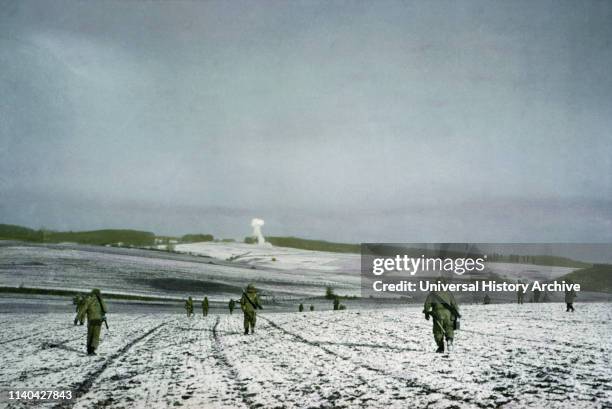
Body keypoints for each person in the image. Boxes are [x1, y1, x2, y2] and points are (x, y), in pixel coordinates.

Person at [423, 287, 460, 353]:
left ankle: (441, 347)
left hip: (438, 314)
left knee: (438, 331)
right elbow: (454, 305)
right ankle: (449, 339)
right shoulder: (449, 294)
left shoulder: (432, 294)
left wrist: (426, 313)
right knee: (449, 328)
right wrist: (456, 314)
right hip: (449, 314)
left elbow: (427, 305)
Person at [77, 288, 107, 355]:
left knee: (90, 335)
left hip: (91, 320)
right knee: (96, 336)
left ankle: (89, 350)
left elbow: (83, 309)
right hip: (98, 320)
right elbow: (105, 309)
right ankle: (92, 349)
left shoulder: (88, 299)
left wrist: (77, 318)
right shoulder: (101, 300)